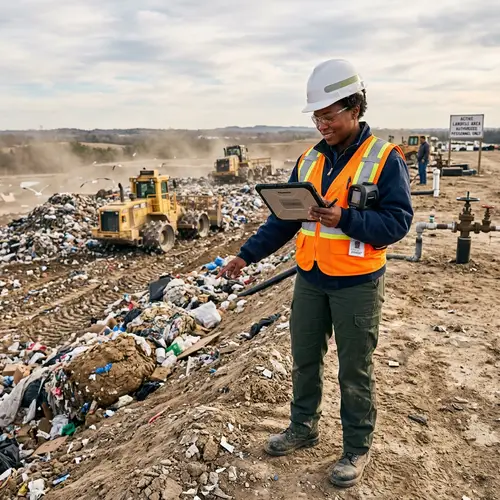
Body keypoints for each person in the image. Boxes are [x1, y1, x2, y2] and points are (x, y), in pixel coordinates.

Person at [218, 59, 413, 488]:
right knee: (305, 358)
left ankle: (356, 448)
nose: (321, 124)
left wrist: (344, 217)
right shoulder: (308, 161)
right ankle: (303, 427)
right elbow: (283, 220)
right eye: (316, 116)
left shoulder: (384, 158)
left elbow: (398, 223)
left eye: (329, 115)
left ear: (354, 109)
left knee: (354, 368)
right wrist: (245, 256)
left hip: (357, 282)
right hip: (311, 276)